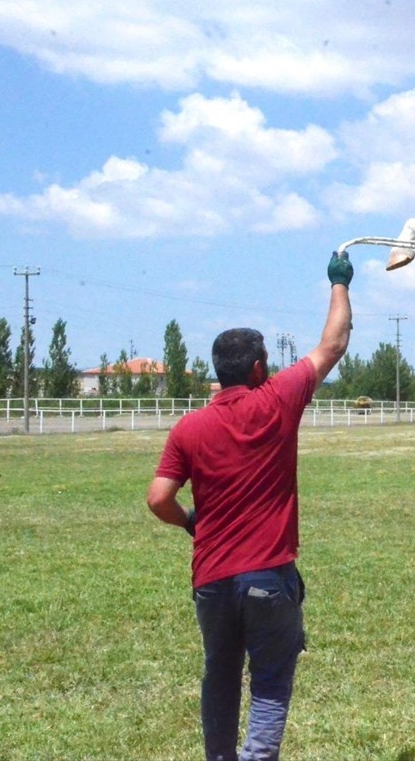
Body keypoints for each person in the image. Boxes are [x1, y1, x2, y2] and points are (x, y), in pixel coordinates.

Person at [147, 253, 354, 761]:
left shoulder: (188, 428)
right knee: (269, 682)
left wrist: (192, 523)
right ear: (260, 368)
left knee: (219, 675)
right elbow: (333, 344)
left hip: (212, 580)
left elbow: (158, 498)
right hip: (269, 578)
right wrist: (339, 284)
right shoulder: (277, 400)